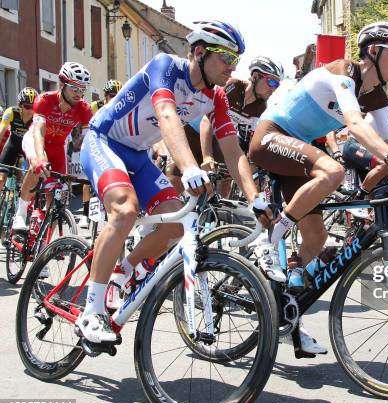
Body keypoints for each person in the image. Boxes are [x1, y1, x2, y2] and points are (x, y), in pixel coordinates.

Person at [76, 20, 275, 345]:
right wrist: (189, 167)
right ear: (199, 52)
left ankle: (123, 271)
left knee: (176, 226)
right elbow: (166, 115)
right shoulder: (166, 67)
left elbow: (232, 149)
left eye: (236, 60)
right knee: (126, 211)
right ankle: (92, 312)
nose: (232, 67)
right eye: (226, 57)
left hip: (137, 154)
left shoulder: (217, 98)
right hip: (105, 141)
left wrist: (255, 198)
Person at [248, 21, 388, 357]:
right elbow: (355, 126)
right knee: (334, 170)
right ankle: (266, 239)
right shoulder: (342, 73)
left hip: (300, 148)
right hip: (271, 137)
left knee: (316, 239)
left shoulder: (376, 94)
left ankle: (288, 317)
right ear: (374, 50)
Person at [169, 56, 284, 197]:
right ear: (255, 76)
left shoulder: (260, 107)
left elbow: (251, 140)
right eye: (271, 82)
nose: (273, 89)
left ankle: (216, 214)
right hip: (195, 131)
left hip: (218, 138)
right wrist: (207, 157)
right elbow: (207, 121)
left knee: (227, 176)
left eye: (277, 85)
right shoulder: (233, 86)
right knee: (175, 184)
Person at [11, 63, 94, 232]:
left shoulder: (84, 109)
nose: (79, 94)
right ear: (62, 85)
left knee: (58, 198)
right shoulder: (45, 100)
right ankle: (20, 215)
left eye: (82, 89)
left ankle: (45, 243)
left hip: (58, 146)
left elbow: (88, 141)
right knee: (37, 165)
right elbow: (39, 131)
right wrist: (40, 157)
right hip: (36, 139)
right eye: (74, 89)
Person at [77, 79, 124, 229]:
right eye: (111, 95)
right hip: (95, 142)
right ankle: (85, 215)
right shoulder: (94, 107)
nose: (115, 98)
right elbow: (87, 129)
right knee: (87, 180)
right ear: (105, 96)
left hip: (112, 144)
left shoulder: (123, 107)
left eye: (118, 95)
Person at [0, 87, 38, 190]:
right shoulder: (11, 112)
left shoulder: (37, 116)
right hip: (13, 144)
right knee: (1, 178)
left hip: (28, 148)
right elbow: (1, 131)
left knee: (33, 176)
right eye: (27, 106)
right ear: (20, 105)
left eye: (33, 107)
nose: (30, 110)